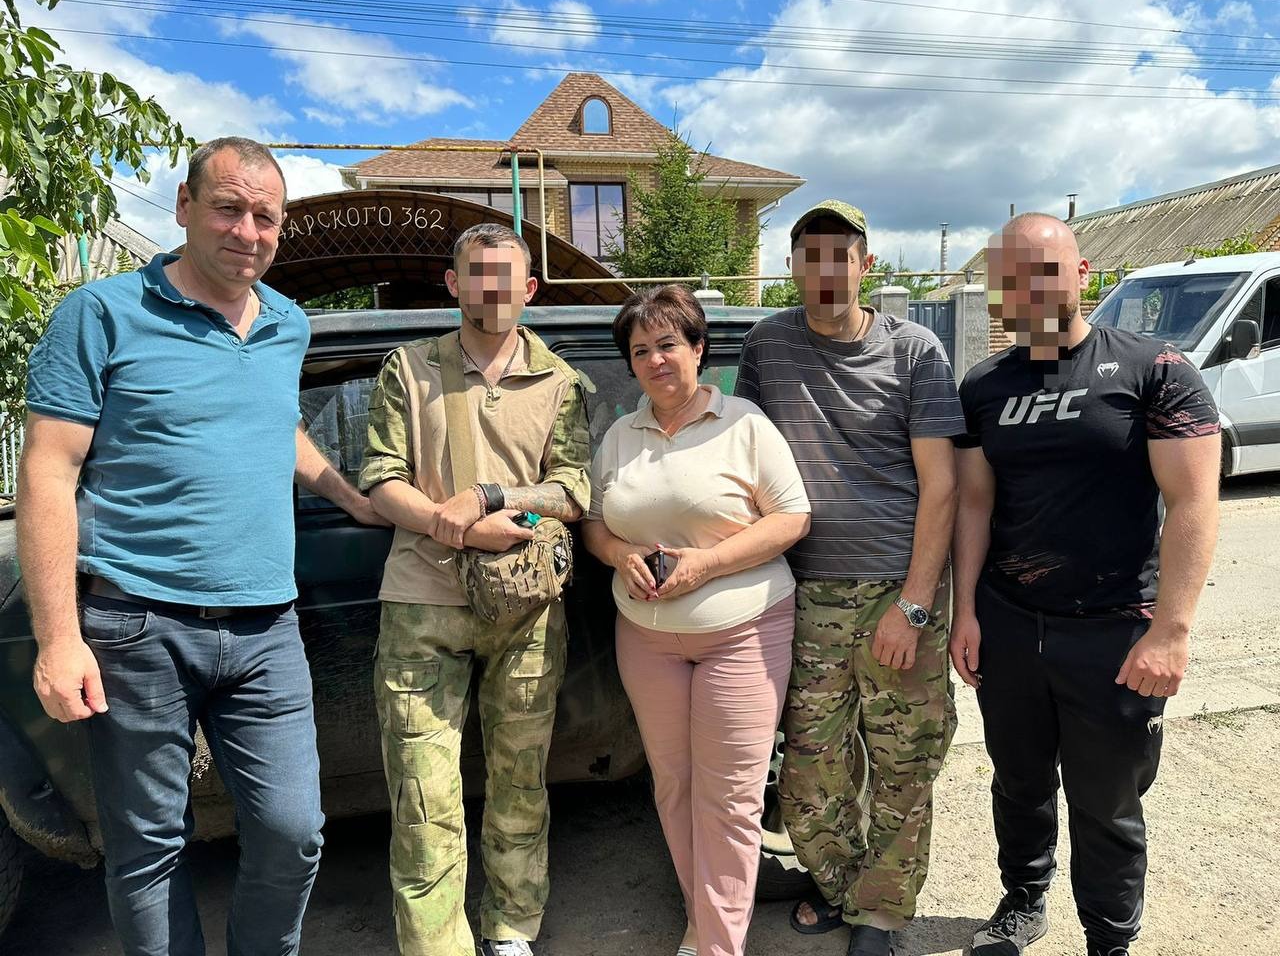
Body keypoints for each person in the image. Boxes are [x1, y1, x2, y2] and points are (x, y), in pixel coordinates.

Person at [18, 136, 382, 956]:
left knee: (293, 833)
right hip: (135, 626)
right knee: (150, 847)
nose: (247, 231)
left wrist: (350, 494)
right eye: (228, 208)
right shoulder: (102, 313)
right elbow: (47, 468)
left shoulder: (287, 322)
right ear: (184, 208)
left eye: (265, 216)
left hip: (266, 629)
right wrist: (59, 638)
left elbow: (276, 427)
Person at [951, 214, 1221, 956]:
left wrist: (1171, 629)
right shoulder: (983, 386)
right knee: (1019, 781)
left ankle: (1109, 940)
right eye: (1011, 277)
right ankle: (1023, 900)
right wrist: (965, 610)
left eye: (1043, 271)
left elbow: (1194, 502)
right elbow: (975, 502)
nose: (1027, 289)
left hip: (1113, 629)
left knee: (1107, 803)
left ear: (1081, 273)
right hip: (1010, 622)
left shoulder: (1154, 368)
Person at [735, 200, 964, 956]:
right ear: (793, 266)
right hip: (804, 593)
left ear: (866, 266)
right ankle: (840, 885)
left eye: (843, 256)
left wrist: (917, 604)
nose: (826, 271)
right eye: (812, 255)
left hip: (900, 587)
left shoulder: (915, 350)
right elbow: (744, 464)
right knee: (810, 771)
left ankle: (883, 914)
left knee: (904, 761)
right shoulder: (768, 347)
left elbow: (942, 485)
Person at [359, 223, 590, 956]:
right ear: (454, 284)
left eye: (506, 276)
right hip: (422, 608)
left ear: (529, 290)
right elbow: (379, 479)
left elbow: (574, 490)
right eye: (476, 274)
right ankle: (438, 946)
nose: (491, 288)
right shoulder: (410, 368)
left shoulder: (560, 381)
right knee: (424, 801)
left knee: (520, 785)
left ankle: (512, 928)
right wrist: (452, 527)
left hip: (526, 608)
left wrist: (492, 499)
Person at [582, 285, 811, 956]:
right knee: (676, 788)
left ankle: (716, 945)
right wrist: (620, 554)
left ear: (699, 350)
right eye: (641, 350)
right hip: (646, 639)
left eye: (669, 345)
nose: (656, 360)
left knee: (731, 798)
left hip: (742, 632)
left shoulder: (743, 423)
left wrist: (704, 567)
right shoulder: (621, 434)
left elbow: (793, 517)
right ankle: (704, 919)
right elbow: (594, 523)